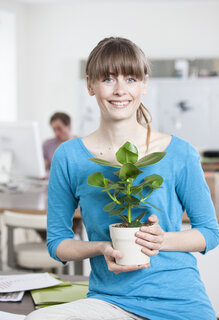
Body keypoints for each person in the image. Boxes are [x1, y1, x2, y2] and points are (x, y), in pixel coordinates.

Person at [26, 37, 219, 320]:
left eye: (130, 79)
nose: (120, 90)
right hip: (110, 302)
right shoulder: (69, 156)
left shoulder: (180, 152)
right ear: (90, 84)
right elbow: (58, 244)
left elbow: (210, 233)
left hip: (181, 302)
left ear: (144, 84)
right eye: (108, 79)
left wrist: (161, 240)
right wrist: (102, 247)